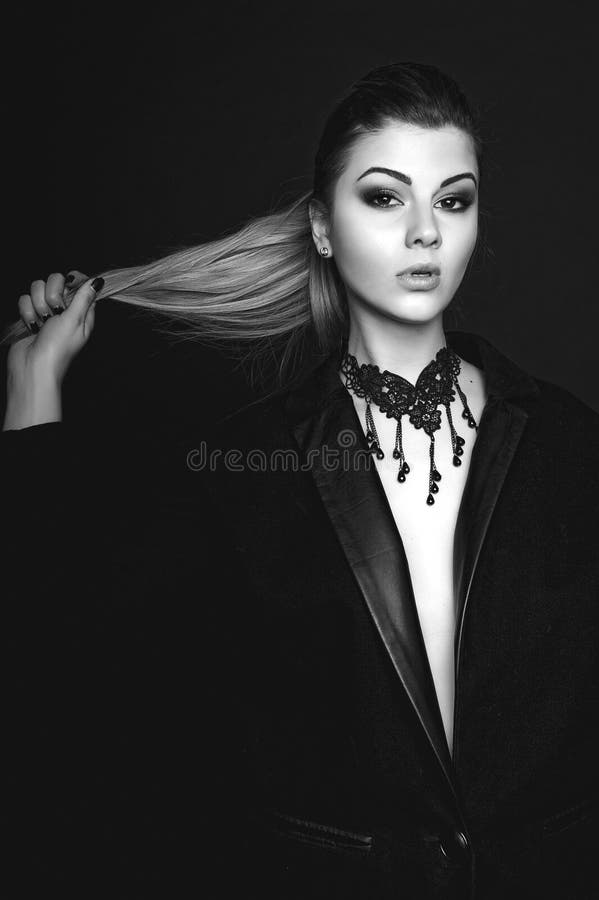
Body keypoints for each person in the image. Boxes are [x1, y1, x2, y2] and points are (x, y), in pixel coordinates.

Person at [1, 61, 597, 899]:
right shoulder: (248, 463)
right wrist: (33, 388)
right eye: (385, 197)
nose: (425, 232)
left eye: (452, 199)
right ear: (322, 228)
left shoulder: (571, 442)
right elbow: (72, 647)